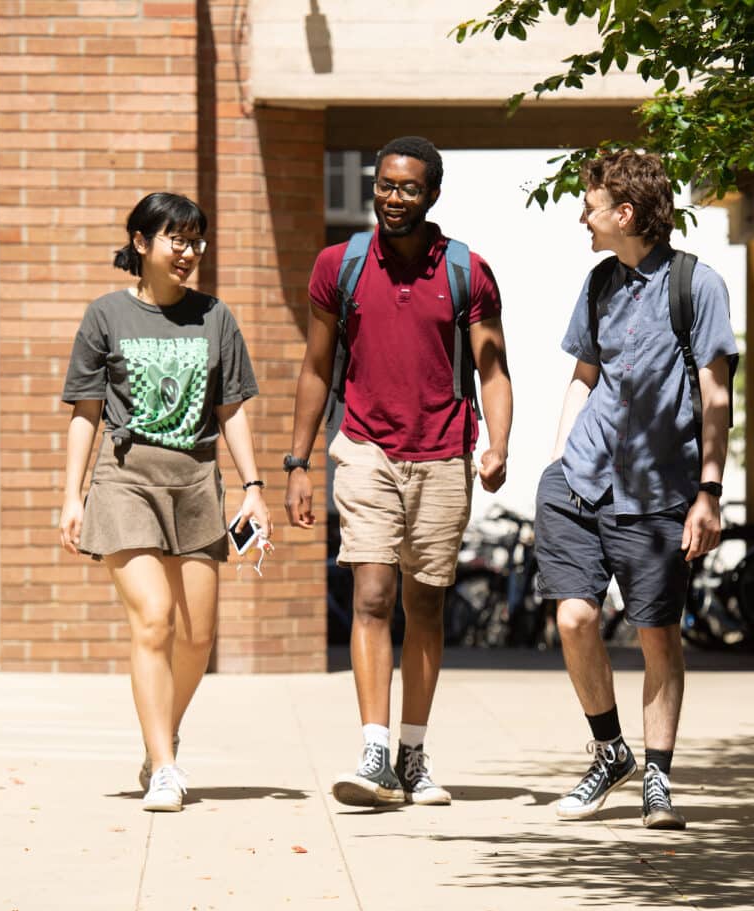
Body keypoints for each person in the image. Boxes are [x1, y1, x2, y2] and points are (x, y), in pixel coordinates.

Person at [285, 136, 513, 806]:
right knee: (373, 595)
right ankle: (375, 752)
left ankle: (414, 753)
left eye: (408, 188)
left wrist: (498, 442)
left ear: (432, 194)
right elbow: (316, 368)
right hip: (365, 449)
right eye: (384, 185)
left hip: (443, 452)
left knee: (426, 603)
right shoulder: (341, 265)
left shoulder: (468, 270)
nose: (393, 198)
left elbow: (493, 368)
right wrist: (297, 461)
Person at [534, 150, 737, 829]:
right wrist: (559, 458)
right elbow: (585, 374)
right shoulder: (598, 284)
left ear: (624, 213)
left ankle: (657, 776)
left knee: (657, 636)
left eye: (589, 207)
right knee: (574, 618)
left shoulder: (697, 287)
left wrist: (709, 491)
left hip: (658, 496)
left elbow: (716, 397)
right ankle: (609, 750)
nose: (581, 219)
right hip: (580, 481)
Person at [59, 192, 269, 813]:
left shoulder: (216, 317)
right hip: (126, 478)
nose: (188, 253)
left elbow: (231, 410)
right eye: (176, 240)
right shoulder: (106, 316)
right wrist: (71, 496)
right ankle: (168, 769)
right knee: (155, 616)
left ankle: (160, 739)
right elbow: (86, 413)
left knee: (198, 636)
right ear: (142, 242)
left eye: (195, 241)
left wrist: (254, 488)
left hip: (197, 481)